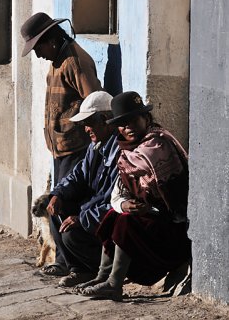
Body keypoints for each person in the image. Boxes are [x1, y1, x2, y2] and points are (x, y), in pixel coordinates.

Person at [75, 91, 191, 301]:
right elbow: (117, 195)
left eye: (133, 120)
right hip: (149, 221)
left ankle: (114, 283)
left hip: (172, 226)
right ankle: (103, 276)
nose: (128, 127)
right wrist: (125, 204)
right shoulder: (125, 153)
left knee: (126, 223)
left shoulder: (157, 145)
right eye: (122, 123)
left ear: (146, 119)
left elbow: (174, 201)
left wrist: (146, 209)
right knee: (113, 216)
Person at [40, 91, 119, 288]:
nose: (85, 129)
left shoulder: (120, 150)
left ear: (104, 120)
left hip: (106, 219)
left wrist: (82, 218)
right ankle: (77, 268)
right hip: (93, 210)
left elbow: (112, 201)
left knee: (71, 233)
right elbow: (77, 175)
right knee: (57, 210)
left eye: (89, 123)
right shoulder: (95, 147)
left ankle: (90, 269)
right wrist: (58, 194)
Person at [20, 12, 102, 185]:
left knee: (67, 204)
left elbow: (95, 103)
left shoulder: (73, 62)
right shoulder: (58, 59)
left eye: (38, 49)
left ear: (51, 41)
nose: (38, 55)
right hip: (63, 149)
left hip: (77, 150)